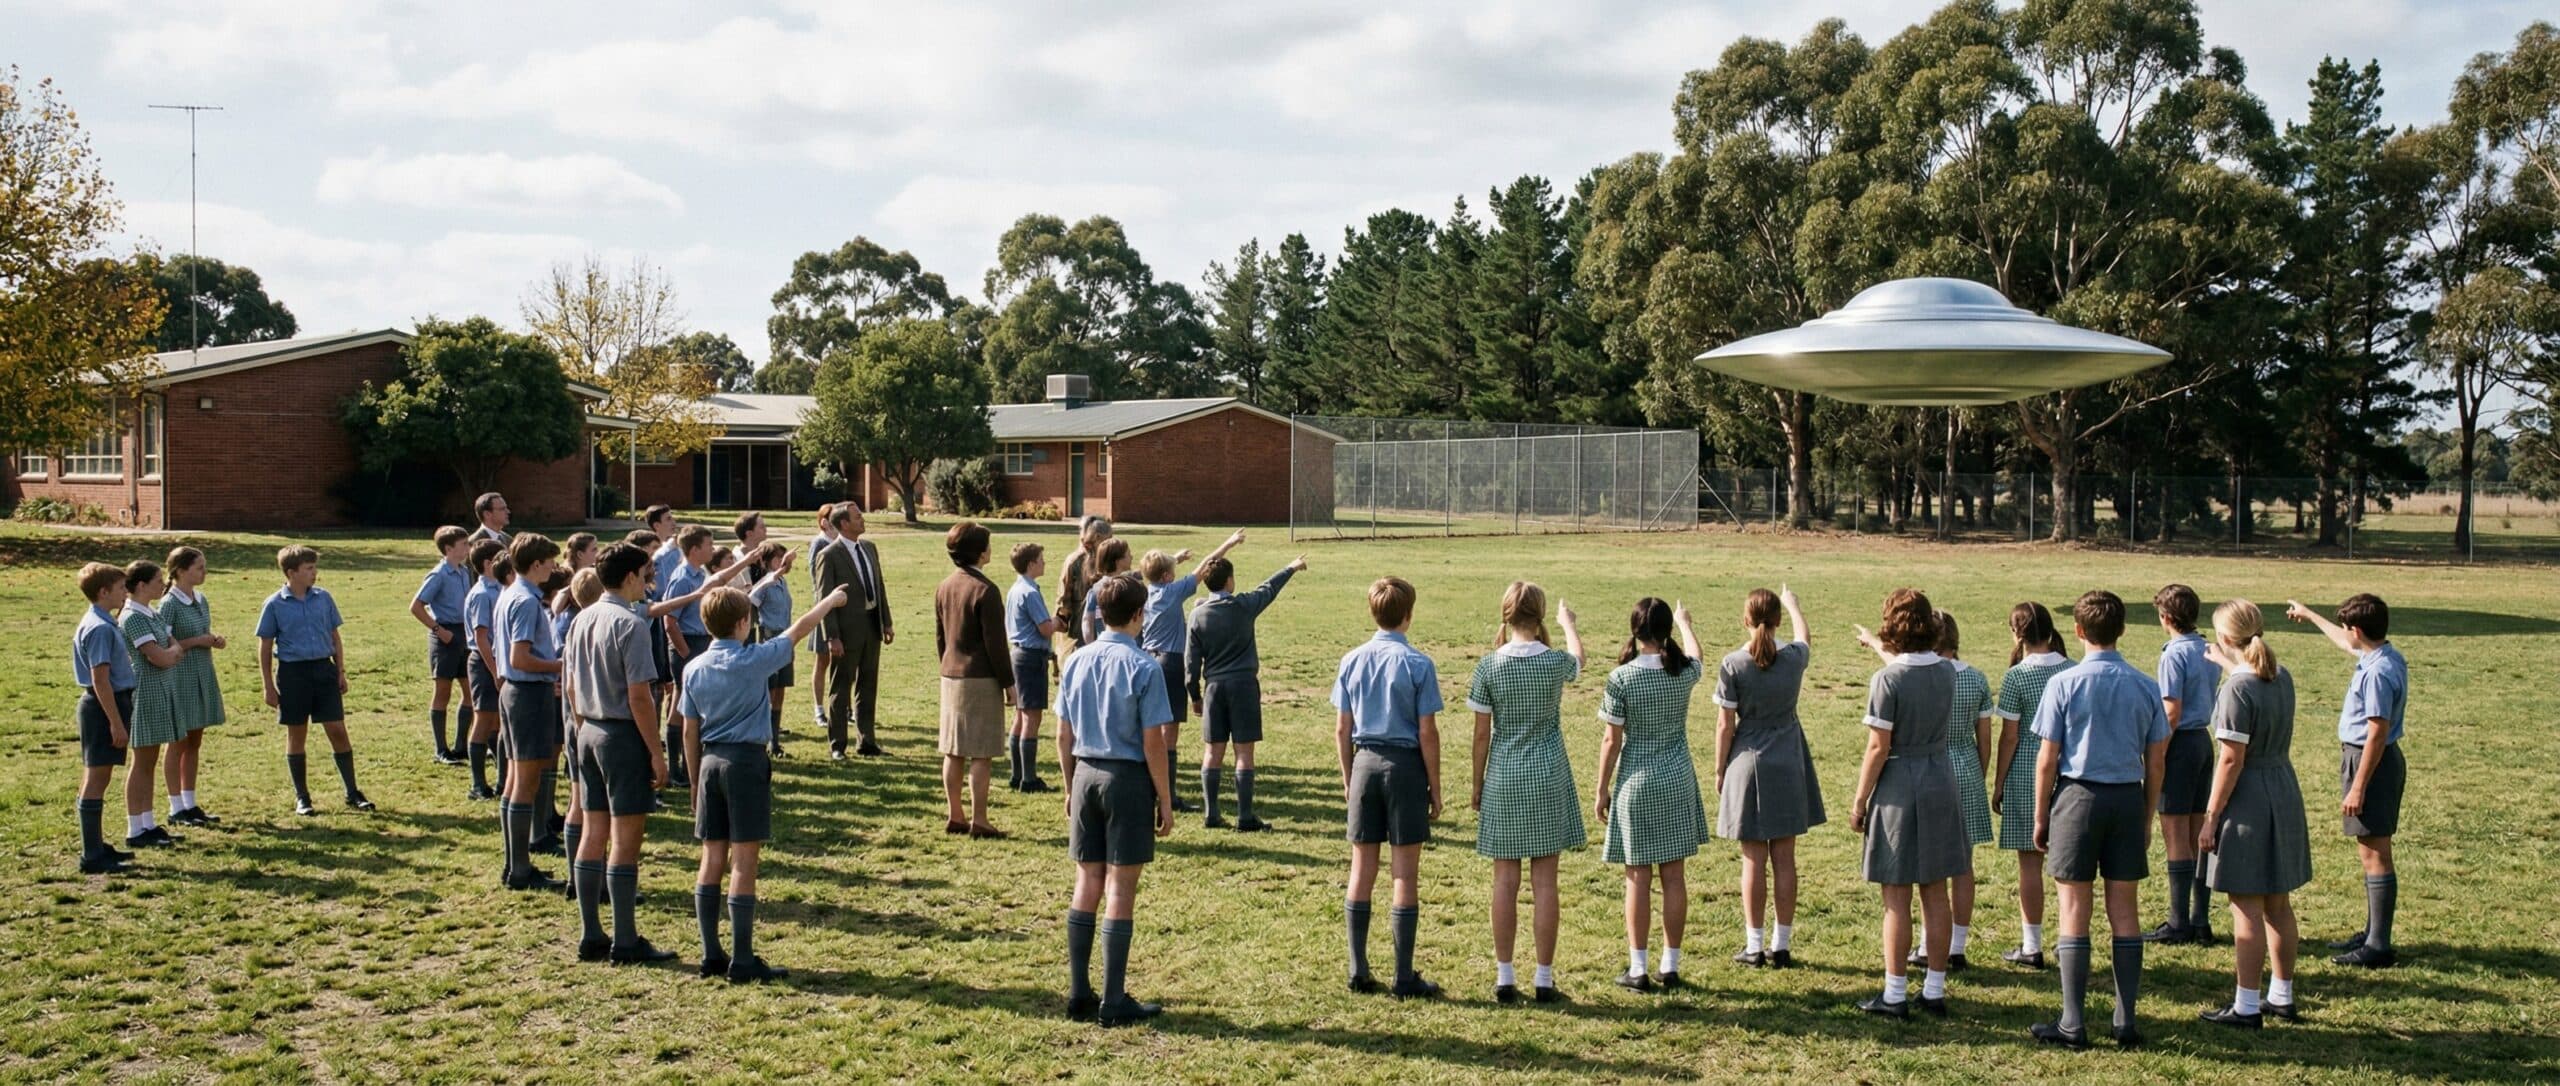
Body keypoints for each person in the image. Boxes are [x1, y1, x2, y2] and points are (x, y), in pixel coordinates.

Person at [682, 581, 850, 983]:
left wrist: (692, 781)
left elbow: (688, 730)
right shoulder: (754, 659)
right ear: (744, 623)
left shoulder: (693, 668)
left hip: (709, 762)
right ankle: (742, 958)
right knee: (744, 861)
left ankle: (710, 953)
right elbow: (799, 629)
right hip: (745, 762)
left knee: (711, 857)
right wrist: (830, 601)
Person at [2028, 590, 2170, 1049]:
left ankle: (2073, 1021)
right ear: (2122, 630)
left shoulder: (2063, 683)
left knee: (2074, 909)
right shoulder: (2146, 685)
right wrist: (2147, 815)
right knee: (2125, 911)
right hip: (2127, 798)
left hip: (2077, 798)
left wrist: (2041, 814)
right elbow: (2156, 762)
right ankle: (2125, 1020)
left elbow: (2047, 760)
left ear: (2078, 630)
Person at [1055, 573, 1178, 1027]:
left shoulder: (1076, 660)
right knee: (1120, 889)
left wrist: (1070, 785)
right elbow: (1153, 743)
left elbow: (1063, 734)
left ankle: (1078, 991)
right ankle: (1113, 998)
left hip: (1085, 772)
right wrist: (1165, 798)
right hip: (1126, 780)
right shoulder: (1145, 667)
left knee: (1086, 881)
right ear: (1139, 614)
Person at [1848, 589, 1967, 1020]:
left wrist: (1859, 801)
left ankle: (1895, 993)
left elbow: (1878, 747)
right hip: (1940, 779)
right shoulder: (1948, 671)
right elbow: (1910, 668)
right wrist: (1874, 645)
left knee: (1896, 896)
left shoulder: (1887, 681)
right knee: (1935, 891)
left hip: (1899, 784)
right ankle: (1934, 990)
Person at [1468, 582, 1586, 999]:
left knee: (1504, 881)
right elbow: (1579, 660)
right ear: (1539, 616)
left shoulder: (1488, 666)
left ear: (1505, 615)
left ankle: (1504, 976)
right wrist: (1567, 624)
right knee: (1545, 883)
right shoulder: (1554, 662)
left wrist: (1477, 783)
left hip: (1504, 776)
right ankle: (1544, 978)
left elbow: (1481, 735)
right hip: (1548, 775)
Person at [2196, 599, 2310, 1028]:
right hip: (2283, 788)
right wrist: (2229, 665)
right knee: (2278, 904)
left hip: (2248, 800)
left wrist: (2211, 816)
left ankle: (2245, 1005)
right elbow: (2252, 682)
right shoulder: (2282, 676)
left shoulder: (2235, 690)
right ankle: (2281, 995)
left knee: (2245, 906)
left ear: (2226, 637)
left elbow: (2231, 759)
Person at [566, 543, 678, 965]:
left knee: (593, 833)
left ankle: (591, 933)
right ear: (630, 577)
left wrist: (583, 727)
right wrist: (656, 752)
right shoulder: (630, 624)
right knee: (626, 842)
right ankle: (626, 940)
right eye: (645, 575)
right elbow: (639, 697)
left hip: (588, 730)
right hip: (622, 736)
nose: (648, 583)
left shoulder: (582, 617)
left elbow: (572, 685)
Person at [1335, 577, 1446, 999]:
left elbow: (1342, 728)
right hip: (1405, 767)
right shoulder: (1418, 664)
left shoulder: (1351, 660)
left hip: (1364, 762)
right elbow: (1427, 731)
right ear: (1408, 615)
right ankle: (1403, 975)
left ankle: (1358, 968)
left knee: (1361, 869)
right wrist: (1435, 786)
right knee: (1404, 874)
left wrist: (1348, 776)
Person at [1868, 611, 1995, 973]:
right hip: (1965, 769)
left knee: (1919, 877)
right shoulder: (1972, 678)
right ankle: (1957, 945)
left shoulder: (1910, 676)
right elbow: (1985, 738)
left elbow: (1897, 673)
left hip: (1923, 769)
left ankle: (1923, 949)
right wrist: (1981, 772)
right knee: (1961, 864)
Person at [1593, 597, 1707, 999]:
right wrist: (1686, 623)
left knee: (1637, 878)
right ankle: (1670, 964)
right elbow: (1697, 656)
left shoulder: (1621, 678)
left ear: (1635, 631)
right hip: (1676, 779)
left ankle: (1638, 967)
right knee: (1674, 877)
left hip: (1636, 784)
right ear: (1666, 631)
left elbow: (1611, 740)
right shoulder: (1683, 671)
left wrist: (1601, 788)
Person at [2284, 593, 2406, 970]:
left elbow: (2376, 733)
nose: (2344, 634)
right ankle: (2372, 933)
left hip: (2370, 762)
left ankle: (2378, 945)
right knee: (2371, 849)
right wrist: (2310, 615)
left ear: (2357, 630)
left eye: (2346, 628)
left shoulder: (2376, 673)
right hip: (2373, 759)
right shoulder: (2384, 655)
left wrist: (2358, 786)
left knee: (2374, 852)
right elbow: (2345, 641)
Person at [1714, 586, 1822, 969]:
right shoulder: (1793, 659)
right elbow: (1805, 637)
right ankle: (1782, 944)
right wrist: (1794, 606)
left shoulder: (1733, 664)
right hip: (1789, 759)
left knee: (1753, 860)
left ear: (1745, 619)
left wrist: (1720, 768)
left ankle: (1754, 945)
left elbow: (1725, 725)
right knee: (1785, 859)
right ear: (1777, 621)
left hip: (1748, 760)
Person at [1186, 551, 1306, 830]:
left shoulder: (1197, 616)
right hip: (1243, 686)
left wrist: (1195, 695)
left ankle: (1211, 813)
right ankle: (1244, 816)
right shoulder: (1244, 606)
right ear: (1229, 581)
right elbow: (1269, 588)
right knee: (1244, 752)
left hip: (1214, 688)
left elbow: (1191, 663)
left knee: (1213, 751)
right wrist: (1291, 567)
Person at [256, 545, 371, 816]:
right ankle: (303, 797)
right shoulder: (274, 604)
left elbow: (334, 637)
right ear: (291, 572)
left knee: (337, 730)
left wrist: (340, 671)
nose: (314, 573)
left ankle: (352, 791)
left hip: (323, 670)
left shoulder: (323, 598)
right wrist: (268, 686)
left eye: (314, 567)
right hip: (293, 673)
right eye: (308, 568)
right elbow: (265, 646)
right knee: (297, 734)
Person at [1993, 602, 2072, 969]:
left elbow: (2009, 737)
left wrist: (1998, 783)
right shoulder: (2072, 669)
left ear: (2016, 633)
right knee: (2068, 868)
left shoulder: (2016, 677)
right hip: (2069, 769)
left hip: (2027, 771)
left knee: (2030, 865)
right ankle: (2069, 941)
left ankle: (2031, 944)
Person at [1139, 532, 1240, 812]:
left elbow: (1156, 573)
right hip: (1170, 663)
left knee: (1150, 729)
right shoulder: (1172, 593)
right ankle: (1168, 795)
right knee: (1168, 735)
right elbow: (1206, 565)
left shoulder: (1145, 592)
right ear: (1167, 577)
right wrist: (1229, 543)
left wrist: (1174, 559)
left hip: (1148, 660)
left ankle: (1148, 790)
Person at [2147, 583, 2224, 946]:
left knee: (2176, 835)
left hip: (2178, 745)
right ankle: (2200, 919)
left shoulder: (2173, 654)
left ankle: (2178, 921)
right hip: (2203, 743)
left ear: (2166, 617)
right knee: (2198, 835)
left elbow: (2171, 711)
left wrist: (2157, 753)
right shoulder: (2208, 649)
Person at [934, 521, 1016, 839]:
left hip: (950, 674)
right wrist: (1008, 683)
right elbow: (996, 644)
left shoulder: (944, 586)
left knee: (953, 749)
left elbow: (940, 637)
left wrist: (946, 665)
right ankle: (980, 819)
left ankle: (955, 814)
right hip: (981, 677)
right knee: (982, 751)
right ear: (981, 552)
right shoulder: (986, 590)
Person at [495, 534, 568, 892]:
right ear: (536, 564)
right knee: (525, 782)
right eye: (550, 561)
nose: (554, 567)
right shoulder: (525, 601)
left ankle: (515, 863)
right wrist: (560, 665)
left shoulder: (511, 593)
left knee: (514, 781)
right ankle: (520, 868)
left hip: (515, 692)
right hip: (527, 694)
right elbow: (520, 657)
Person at [117, 561, 189, 850]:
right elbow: (158, 657)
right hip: (145, 692)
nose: (164, 584)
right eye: (158, 581)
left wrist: (170, 652)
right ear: (141, 585)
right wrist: (170, 653)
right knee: (142, 761)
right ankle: (135, 828)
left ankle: (147, 823)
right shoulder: (133, 617)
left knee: (150, 760)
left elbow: (174, 646)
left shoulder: (152, 613)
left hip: (161, 689)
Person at [72, 562, 138, 874]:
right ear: (103, 592)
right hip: (102, 708)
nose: (126, 592)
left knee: (100, 777)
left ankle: (96, 846)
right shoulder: (99, 628)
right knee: (96, 778)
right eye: (121, 588)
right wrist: (115, 722)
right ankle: (91, 855)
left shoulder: (104, 622)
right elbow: (100, 679)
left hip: (108, 704)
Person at [816, 502, 893, 759]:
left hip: (872, 626)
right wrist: (832, 636)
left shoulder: (869, 548)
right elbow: (825, 598)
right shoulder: (829, 555)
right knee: (841, 688)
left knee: (868, 686)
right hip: (846, 632)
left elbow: (879, 586)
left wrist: (886, 621)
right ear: (844, 524)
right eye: (858, 517)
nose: (863, 519)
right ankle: (838, 745)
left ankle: (866, 741)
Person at [160, 547, 226, 826]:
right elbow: (162, 643)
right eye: (199, 567)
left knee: (195, 740)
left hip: (201, 673)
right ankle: (175, 807)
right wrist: (197, 641)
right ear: (180, 571)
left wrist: (213, 639)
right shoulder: (169, 604)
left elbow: (201, 632)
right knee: (178, 741)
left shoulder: (201, 599)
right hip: (179, 676)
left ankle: (190, 802)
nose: (204, 572)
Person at [555, 567, 605, 899]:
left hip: (574, 720)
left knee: (577, 798)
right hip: (588, 719)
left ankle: (577, 876)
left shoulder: (574, 624)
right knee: (594, 807)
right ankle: (590, 877)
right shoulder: (593, 626)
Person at [660, 526, 721, 787]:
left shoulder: (700, 573)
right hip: (687, 643)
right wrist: (685, 652)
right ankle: (675, 768)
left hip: (701, 642)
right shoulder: (682, 578)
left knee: (694, 706)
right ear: (695, 549)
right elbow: (669, 620)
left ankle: (689, 764)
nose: (713, 549)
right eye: (708, 545)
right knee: (680, 704)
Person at [409, 526, 474, 765]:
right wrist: (438, 630)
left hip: (463, 634)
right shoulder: (438, 575)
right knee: (443, 692)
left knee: (469, 691)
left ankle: (460, 746)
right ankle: (441, 749)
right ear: (448, 549)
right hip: (445, 635)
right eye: (463, 544)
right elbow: (416, 606)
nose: (468, 548)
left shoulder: (465, 572)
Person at [1004, 542, 1059, 793]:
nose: (1044, 563)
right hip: (1031, 657)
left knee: (1020, 715)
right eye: (1040, 559)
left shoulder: (1015, 589)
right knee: (1032, 717)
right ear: (1030, 564)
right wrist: (1059, 621)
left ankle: (1017, 775)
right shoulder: (1030, 593)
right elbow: (1045, 628)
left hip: (1017, 654)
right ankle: (1029, 779)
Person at [462, 540, 511, 801]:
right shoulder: (481, 594)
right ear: (487, 563)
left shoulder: (501, 588)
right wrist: (494, 672)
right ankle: (478, 783)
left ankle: (503, 780)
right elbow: (481, 637)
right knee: (483, 720)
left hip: (498, 661)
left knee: (500, 722)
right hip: (484, 663)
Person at [743, 542, 799, 759]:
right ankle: (764, 740)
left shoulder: (782, 582)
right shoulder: (766, 583)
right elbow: (750, 602)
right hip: (770, 637)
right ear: (765, 562)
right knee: (769, 690)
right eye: (778, 558)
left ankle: (775, 742)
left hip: (785, 637)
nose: (783, 562)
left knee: (780, 689)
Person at [806, 503, 839, 731]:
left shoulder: (840, 542)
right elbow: (816, 579)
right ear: (824, 522)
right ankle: (819, 709)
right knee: (822, 660)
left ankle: (843, 708)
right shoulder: (819, 544)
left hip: (841, 608)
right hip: (825, 609)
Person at [1058, 515, 1113, 649]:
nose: (1111, 542)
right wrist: (1063, 622)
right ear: (1098, 537)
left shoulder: (1108, 558)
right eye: (1109, 538)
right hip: (1079, 629)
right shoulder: (1074, 561)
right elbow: (1064, 597)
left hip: (1105, 626)